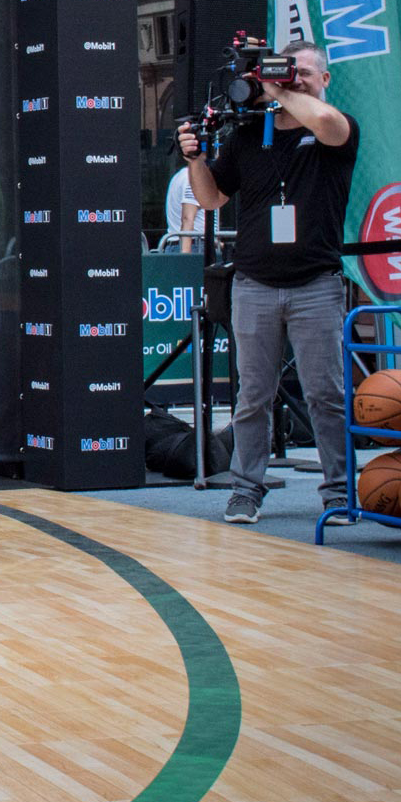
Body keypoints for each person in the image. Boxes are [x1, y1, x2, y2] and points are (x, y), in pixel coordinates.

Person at [176, 41, 358, 525]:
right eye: (285, 71)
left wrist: (277, 87)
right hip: (254, 282)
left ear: (325, 79)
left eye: (304, 72)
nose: (294, 79)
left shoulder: (336, 127)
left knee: (325, 395)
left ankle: (339, 491)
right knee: (252, 396)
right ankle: (245, 490)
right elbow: (212, 200)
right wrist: (195, 159)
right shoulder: (249, 134)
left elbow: (327, 123)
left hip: (315, 283)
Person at [164, 161, 201, 251]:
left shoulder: (179, 176)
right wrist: (185, 254)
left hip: (182, 244)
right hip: (194, 245)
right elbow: (187, 218)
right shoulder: (194, 177)